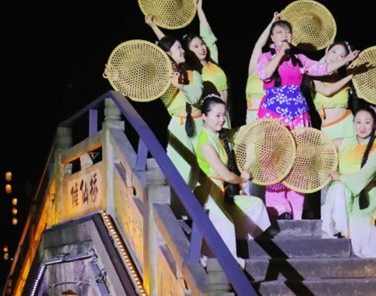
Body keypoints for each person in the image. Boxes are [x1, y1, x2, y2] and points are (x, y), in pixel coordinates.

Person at [256, 19, 359, 220]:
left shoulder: (300, 58)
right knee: (275, 159)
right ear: (272, 38)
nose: (284, 35)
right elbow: (264, 73)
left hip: (298, 114)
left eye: (288, 32)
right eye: (279, 33)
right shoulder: (266, 57)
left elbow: (323, 69)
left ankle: (296, 211)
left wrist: (345, 61)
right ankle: (279, 208)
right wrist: (280, 54)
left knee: (299, 160)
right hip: (274, 114)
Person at [195, 94, 273, 267]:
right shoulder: (206, 144)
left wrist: (263, 124)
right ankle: (227, 264)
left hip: (221, 194)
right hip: (208, 195)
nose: (222, 119)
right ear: (204, 116)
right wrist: (242, 178)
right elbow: (227, 176)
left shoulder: (220, 135)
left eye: (224, 115)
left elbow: (243, 132)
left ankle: (233, 245)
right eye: (217, 115)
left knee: (255, 205)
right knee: (226, 224)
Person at [321, 104, 376, 258]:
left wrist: (339, 177)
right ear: (353, 124)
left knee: (359, 221)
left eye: (367, 122)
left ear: (374, 125)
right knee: (339, 188)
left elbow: (362, 178)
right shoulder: (341, 142)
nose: (362, 127)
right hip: (341, 198)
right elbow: (320, 149)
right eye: (358, 122)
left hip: (364, 197)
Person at [146, 0, 231, 127]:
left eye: (202, 44)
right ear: (188, 51)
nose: (202, 48)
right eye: (196, 46)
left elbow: (208, 36)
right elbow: (169, 47)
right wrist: (153, 26)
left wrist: (199, 10)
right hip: (210, 118)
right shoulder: (192, 69)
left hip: (224, 114)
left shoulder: (213, 61)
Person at [151, 33, 204, 188]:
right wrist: (118, 77)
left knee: (204, 171)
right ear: (168, 54)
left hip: (199, 125)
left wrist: (180, 86)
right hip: (179, 126)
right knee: (182, 171)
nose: (183, 51)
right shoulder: (161, 81)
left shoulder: (193, 75)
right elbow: (141, 88)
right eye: (179, 48)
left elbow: (195, 97)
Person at [245, 12, 281, 124]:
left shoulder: (280, 72)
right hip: (252, 122)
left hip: (271, 121)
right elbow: (258, 45)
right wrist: (272, 22)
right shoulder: (254, 70)